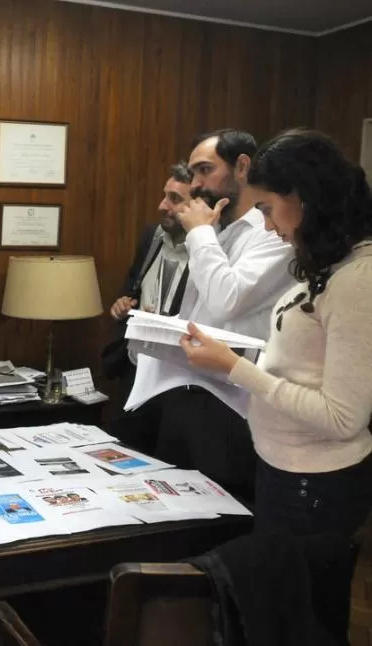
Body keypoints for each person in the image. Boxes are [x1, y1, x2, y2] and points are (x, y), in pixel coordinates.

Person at [179, 128, 372, 642]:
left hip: (316, 485)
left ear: (302, 198)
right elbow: (299, 363)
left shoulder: (358, 279)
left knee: (308, 622)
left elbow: (343, 416)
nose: (265, 224)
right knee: (279, 612)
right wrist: (240, 356)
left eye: (267, 209)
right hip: (283, 469)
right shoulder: (323, 266)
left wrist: (235, 368)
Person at [120, 129, 295, 501]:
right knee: (173, 509)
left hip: (234, 401)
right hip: (186, 389)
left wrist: (200, 234)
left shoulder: (270, 232)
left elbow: (227, 301)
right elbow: (194, 313)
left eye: (204, 170)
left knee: (220, 515)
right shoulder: (222, 229)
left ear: (243, 166)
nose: (196, 183)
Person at [102, 161, 193, 424]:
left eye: (174, 199)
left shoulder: (214, 251)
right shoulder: (152, 236)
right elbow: (133, 285)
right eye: (165, 195)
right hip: (135, 368)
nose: (162, 205)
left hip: (176, 380)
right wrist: (123, 305)